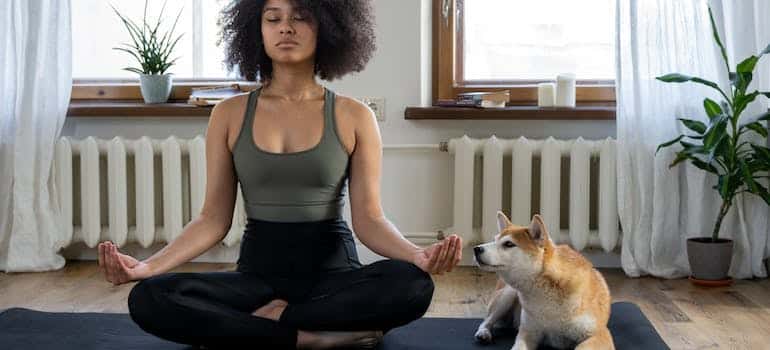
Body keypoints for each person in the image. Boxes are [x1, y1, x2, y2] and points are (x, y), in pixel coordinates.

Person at [96, 0, 462, 349]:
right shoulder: (228, 114)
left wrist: (417, 256)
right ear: (256, 30)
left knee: (412, 286)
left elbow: (370, 220)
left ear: (328, 27)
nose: (285, 27)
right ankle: (304, 337)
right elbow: (212, 220)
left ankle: (269, 324)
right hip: (255, 279)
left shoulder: (354, 116)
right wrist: (147, 266)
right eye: (273, 18)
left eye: (300, 17)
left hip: (333, 278)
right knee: (150, 297)